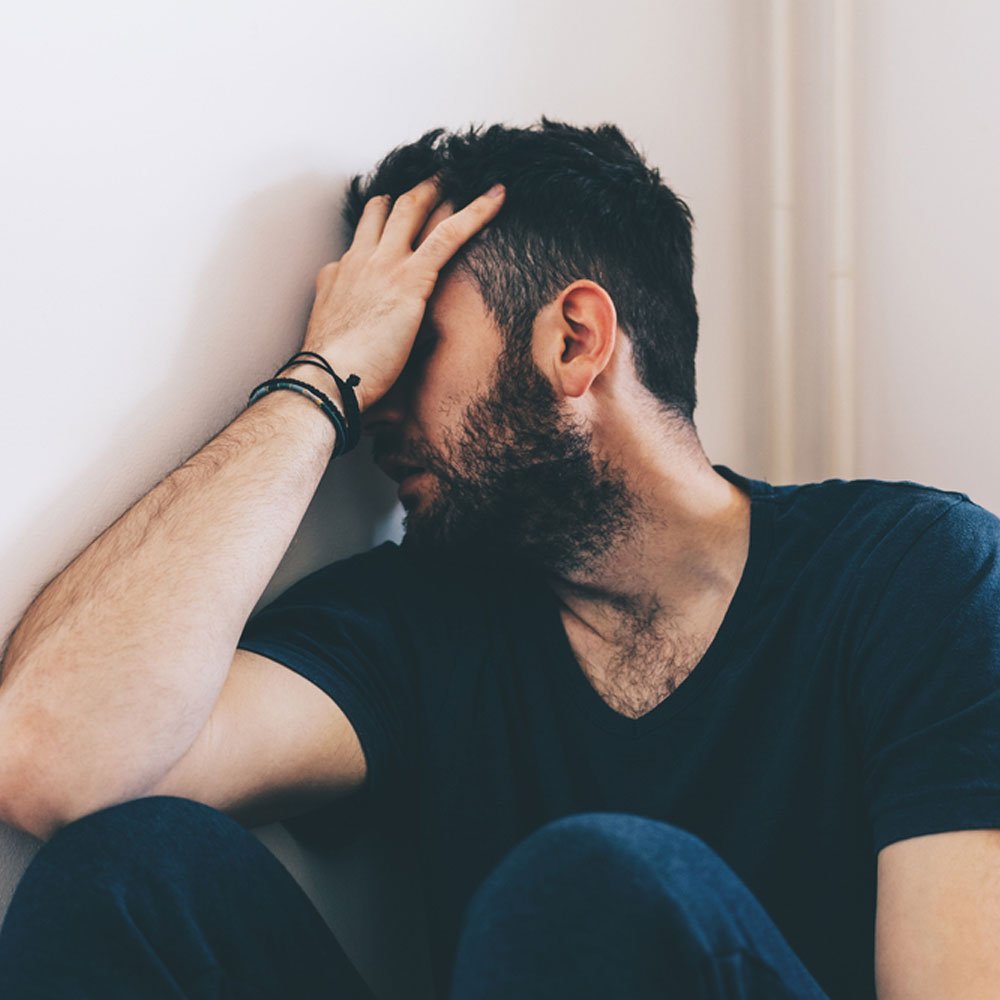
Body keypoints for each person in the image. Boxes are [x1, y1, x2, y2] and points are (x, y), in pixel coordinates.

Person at [0, 118, 998, 1000]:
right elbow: (50, 760)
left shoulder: (915, 577)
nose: (374, 407)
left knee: (597, 881)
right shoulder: (419, 617)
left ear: (574, 340)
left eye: (410, 343)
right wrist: (316, 381)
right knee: (129, 868)